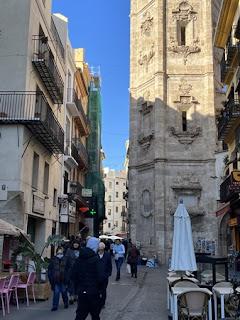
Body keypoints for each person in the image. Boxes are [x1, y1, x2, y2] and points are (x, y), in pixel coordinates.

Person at [71, 236, 104, 320]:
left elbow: (73, 275)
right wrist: (100, 289)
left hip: (82, 291)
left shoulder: (79, 259)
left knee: (80, 315)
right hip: (94, 292)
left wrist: (78, 287)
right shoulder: (96, 260)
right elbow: (100, 277)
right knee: (95, 315)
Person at [48, 246, 69, 311]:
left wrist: (67, 277)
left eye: (61, 253)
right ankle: (55, 306)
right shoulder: (53, 259)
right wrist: (51, 278)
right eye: (58, 253)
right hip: (56, 279)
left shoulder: (66, 259)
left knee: (64, 292)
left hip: (63, 279)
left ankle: (66, 303)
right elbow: (50, 269)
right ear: (56, 253)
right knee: (56, 292)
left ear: (63, 253)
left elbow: (68, 269)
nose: (59, 254)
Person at [65, 240, 80, 304]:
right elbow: (66, 259)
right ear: (72, 244)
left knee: (77, 283)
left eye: (77, 243)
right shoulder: (69, 250)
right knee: (71, 284)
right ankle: (71, 297)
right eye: (74, 243)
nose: (76, 245)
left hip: (78, 270)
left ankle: (76, 296)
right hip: (70, 270)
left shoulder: (81, 250)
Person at [98, 242, 112, 308]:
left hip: (104, 277)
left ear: (103, 248)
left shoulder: (107, 255)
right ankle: (97, 302)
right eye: (99, 249)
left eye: (102, 249)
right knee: (96, 290)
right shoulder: (95, 255)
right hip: (96, 277)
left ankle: (102, 303)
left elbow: (110, 265)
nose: (100, 250)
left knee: (103, 290)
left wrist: (108, 274)